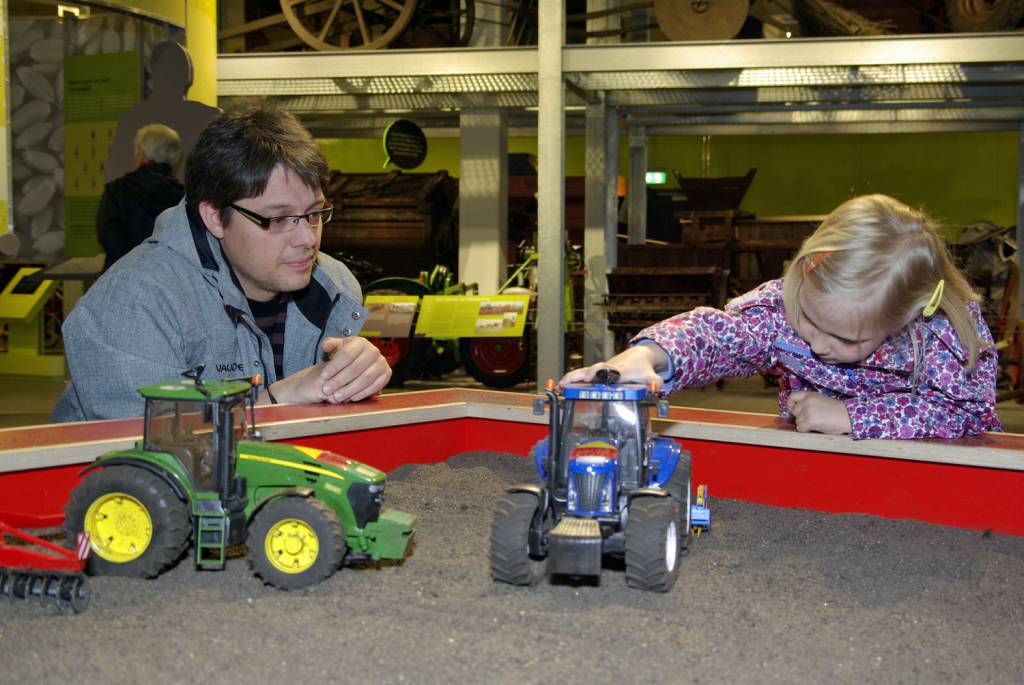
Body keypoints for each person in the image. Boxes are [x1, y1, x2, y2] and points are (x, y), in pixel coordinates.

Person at [51, 101, 391, 422]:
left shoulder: (334, 286)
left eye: (314, 214)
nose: (307, 239)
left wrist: (358, 372)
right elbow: (145, 441)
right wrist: (277, 398)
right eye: (277, 219)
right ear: (214, 217)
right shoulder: (132, 303)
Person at [561, 194, 1002, 440]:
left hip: (924, 478)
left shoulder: (944, 335)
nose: (819, 345)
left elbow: (968, 415)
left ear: (904, 322)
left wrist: (852, 416)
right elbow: (720, 335)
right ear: (803, 270)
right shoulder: (783, 307)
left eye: (847, 340)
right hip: (816, 470)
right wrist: (648, 356)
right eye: (811, 320)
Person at [103, 41, 220, 184]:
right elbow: (116, 169)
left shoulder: (207, 117)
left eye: (179, 66)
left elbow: (115, 171)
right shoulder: (207, 117)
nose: (176, 72)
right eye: (171, 66)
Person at [96, 123, 185, 270]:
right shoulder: (184, 198)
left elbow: (108, 237)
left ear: (142, 154)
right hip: (167, 276)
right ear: (175, 157)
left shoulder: (116, 191)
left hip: (122, 274)